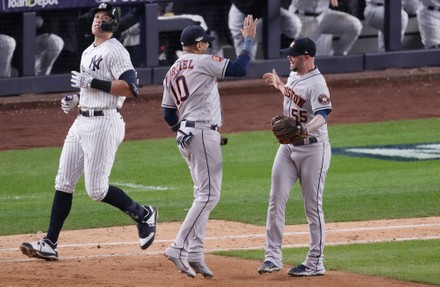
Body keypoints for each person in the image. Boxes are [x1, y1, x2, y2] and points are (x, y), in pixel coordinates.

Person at [19, 3, 157, 261]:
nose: (98, 20)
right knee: (63, 182)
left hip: (105, 123)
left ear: (112, 24)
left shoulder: (116, 51)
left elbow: (131, 88)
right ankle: (50, 243)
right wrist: (75, 99)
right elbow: (88, 90)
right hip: (82, 121)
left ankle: (143, 213)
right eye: (96, 16)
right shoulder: (87, 51)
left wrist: (91, 83)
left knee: (97, 191)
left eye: (104, 18)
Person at [161, 15, 258, 278]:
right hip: (202, 133)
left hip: (188, 134)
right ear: (200, 45)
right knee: (208, 196)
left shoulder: (171, 70)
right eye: (208, 43)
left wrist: (182, 129)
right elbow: (240, 68)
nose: (210, 47)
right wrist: (248, 40)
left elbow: (168, 114)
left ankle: (195, 253)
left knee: (201, 195)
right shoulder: (204, 62)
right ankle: (178, 247)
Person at [256, 38, 332, 277]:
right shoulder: (295, 75)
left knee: (312, 207)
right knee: (275, 199)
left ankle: (315, 262)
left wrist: (304, 129)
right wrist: (278, 84)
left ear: (307, 57)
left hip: (313, 149)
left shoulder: (318, 83)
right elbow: (292, 95)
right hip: (288, 148)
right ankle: (272, 257)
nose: (289, 57)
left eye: (293, 54)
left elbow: (323, 116)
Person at [228, 0, 302, 60]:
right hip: (242, 13)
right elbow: (247, 5)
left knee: (294, 24)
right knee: (247, 60)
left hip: (269, 9)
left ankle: (280, 56)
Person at [289, 0, 363, 55]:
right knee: (307, 62)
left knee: (354, 25)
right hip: (303, 17)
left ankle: (339, 56)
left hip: (324, 15)